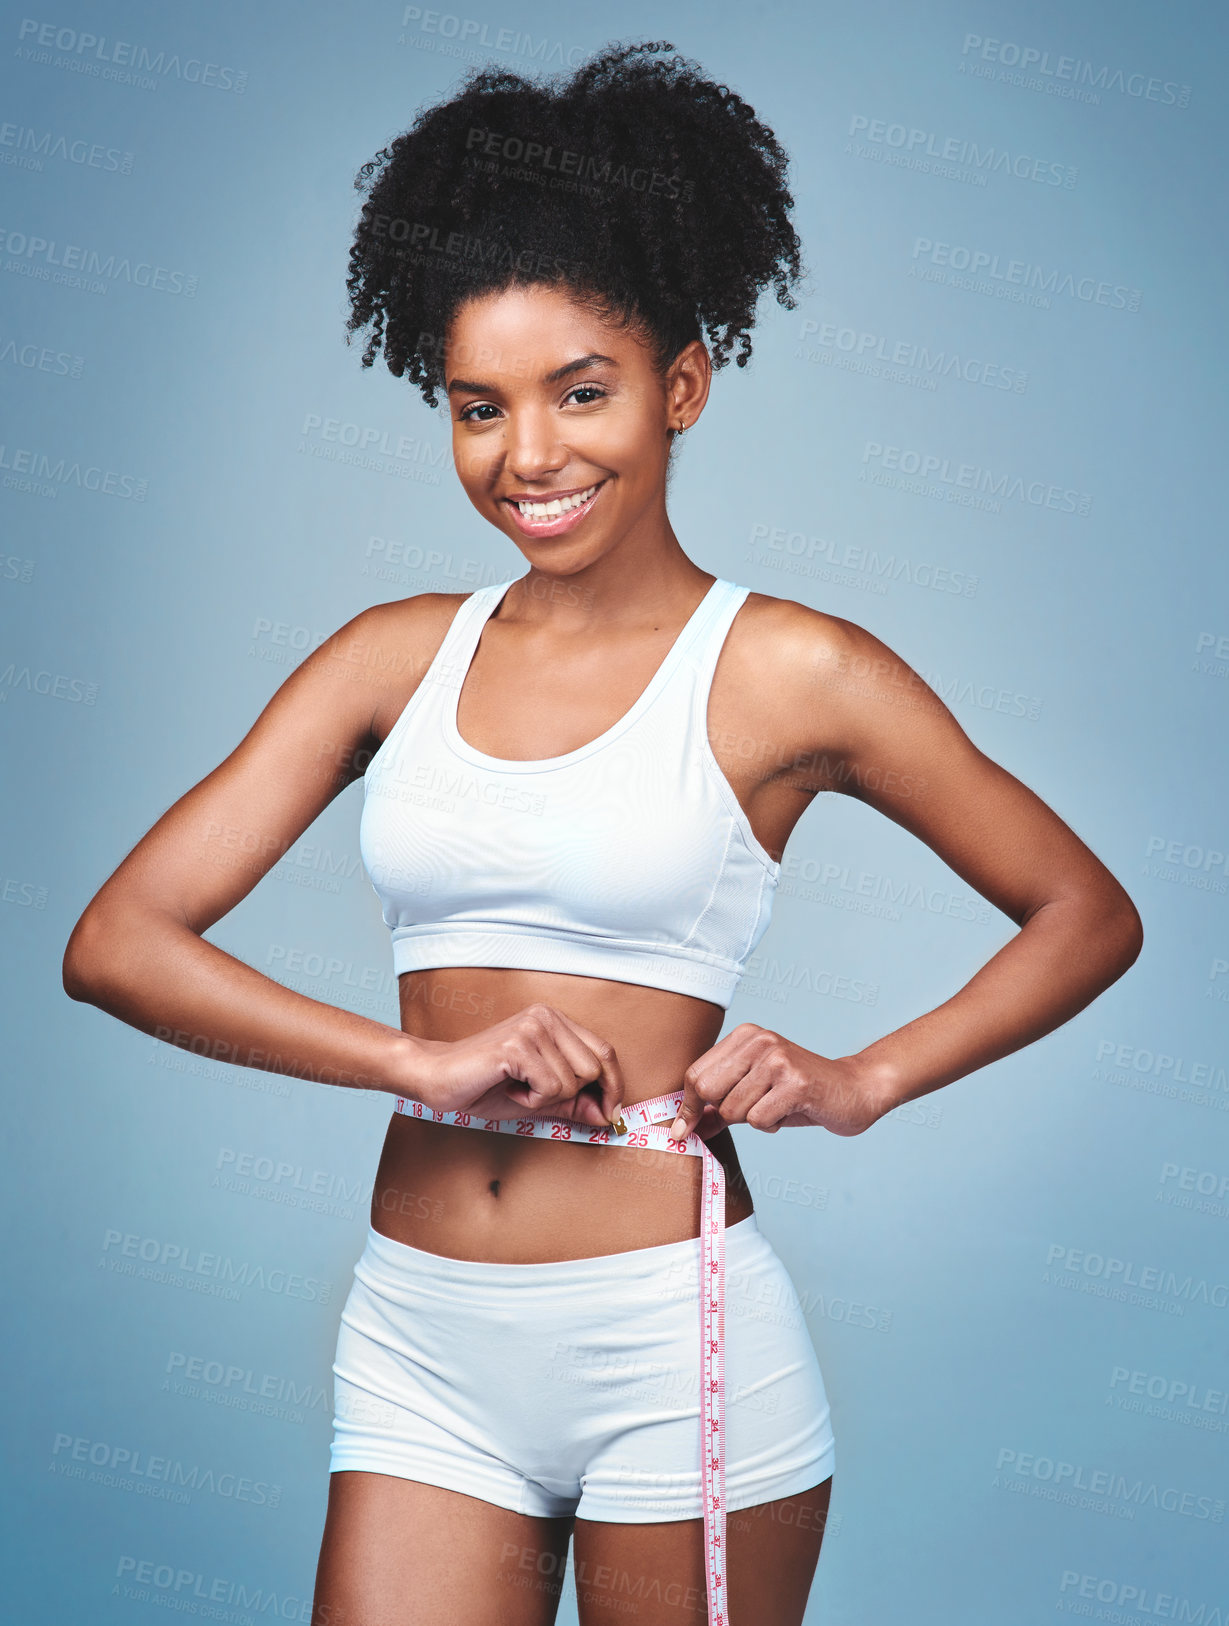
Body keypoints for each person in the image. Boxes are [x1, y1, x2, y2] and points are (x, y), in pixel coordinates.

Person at [62, 40, 1144, 1626]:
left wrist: (862, 1080)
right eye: (477, 407)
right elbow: (116, 943)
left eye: (582, 392)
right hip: (420, 1333)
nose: (530, 457)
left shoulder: (788, 669)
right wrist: (413, 1063)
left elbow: (1085, 910)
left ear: (680, 385)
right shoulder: (389, 656)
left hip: (671, 1336)